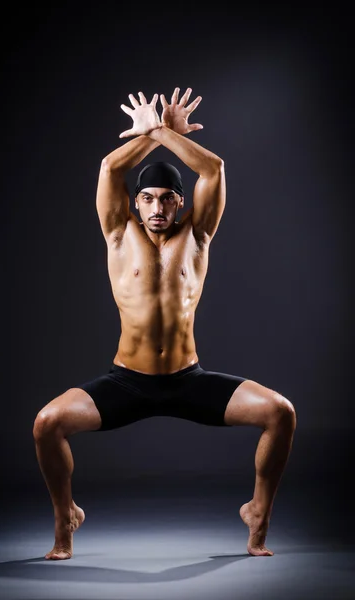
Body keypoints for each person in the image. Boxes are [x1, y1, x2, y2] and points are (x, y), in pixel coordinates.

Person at [33, 87, 296, 560]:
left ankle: (258, 513)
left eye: (168, 198)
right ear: (134, 204)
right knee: (47, 423)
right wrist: (153, 133)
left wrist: (163, 132)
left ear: (181, 202)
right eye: (148, 198)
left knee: (281, 413)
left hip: (186, 380)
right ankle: (65, 517)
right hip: (127, 382)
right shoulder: (118, 235)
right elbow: (110, 169)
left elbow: (212, 168)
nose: (157, 208)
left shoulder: (198, 236)